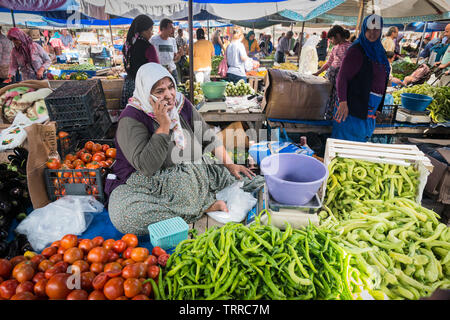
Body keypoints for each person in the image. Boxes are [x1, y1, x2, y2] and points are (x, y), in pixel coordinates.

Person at [106, 63, 263, 235]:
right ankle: (202, 207)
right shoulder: (131, 119)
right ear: (146, 93)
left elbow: (206, 136)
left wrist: (230, 164)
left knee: (241, 180)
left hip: (193, 172)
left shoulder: (181, 104)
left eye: (171, 87)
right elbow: (147, 167)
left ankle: (197, 203)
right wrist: (164, 124)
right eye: (160, 91)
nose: (168, 95)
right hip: (150, 184)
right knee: (126, 216)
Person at [332, 14, 390, 142]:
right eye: (369, 28)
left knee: (359, 143)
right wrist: (342, 101)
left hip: (369, 107)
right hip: (353, 106)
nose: (372, 33)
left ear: (381, 30)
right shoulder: (356, 50)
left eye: (376, 29)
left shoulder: (379, 51)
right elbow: (342, 77)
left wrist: (379, 107)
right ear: (364, 29)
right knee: (345, 143)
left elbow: (383, 79)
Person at [121, 15, 160, 109]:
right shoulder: (148, 47)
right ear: (143, 30)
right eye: (151, 30)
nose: (152, 33)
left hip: (129, 86)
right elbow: (156, 70)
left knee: (132, 115)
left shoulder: (127, 46)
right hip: (143, 88)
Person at [313, 25, 351, 120]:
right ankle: (329, 117)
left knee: (339, 97)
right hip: (332, 75)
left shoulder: (350, 47)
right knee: (330, 97)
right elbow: (329, 62)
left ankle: (337, 118)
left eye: (331, 39)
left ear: (337, 36)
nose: (331, 42)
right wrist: (318, 73)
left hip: (342, 77)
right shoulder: (335, 48)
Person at [150, 18, 183, 85]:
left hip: (172, 70)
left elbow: (175, 59)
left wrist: (179, 55)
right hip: (159, 71)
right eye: (170, 27)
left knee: (176, 89)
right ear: (163, 29)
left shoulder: (173, 40)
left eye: (173, 27)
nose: (173, 30)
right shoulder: (153, 40)